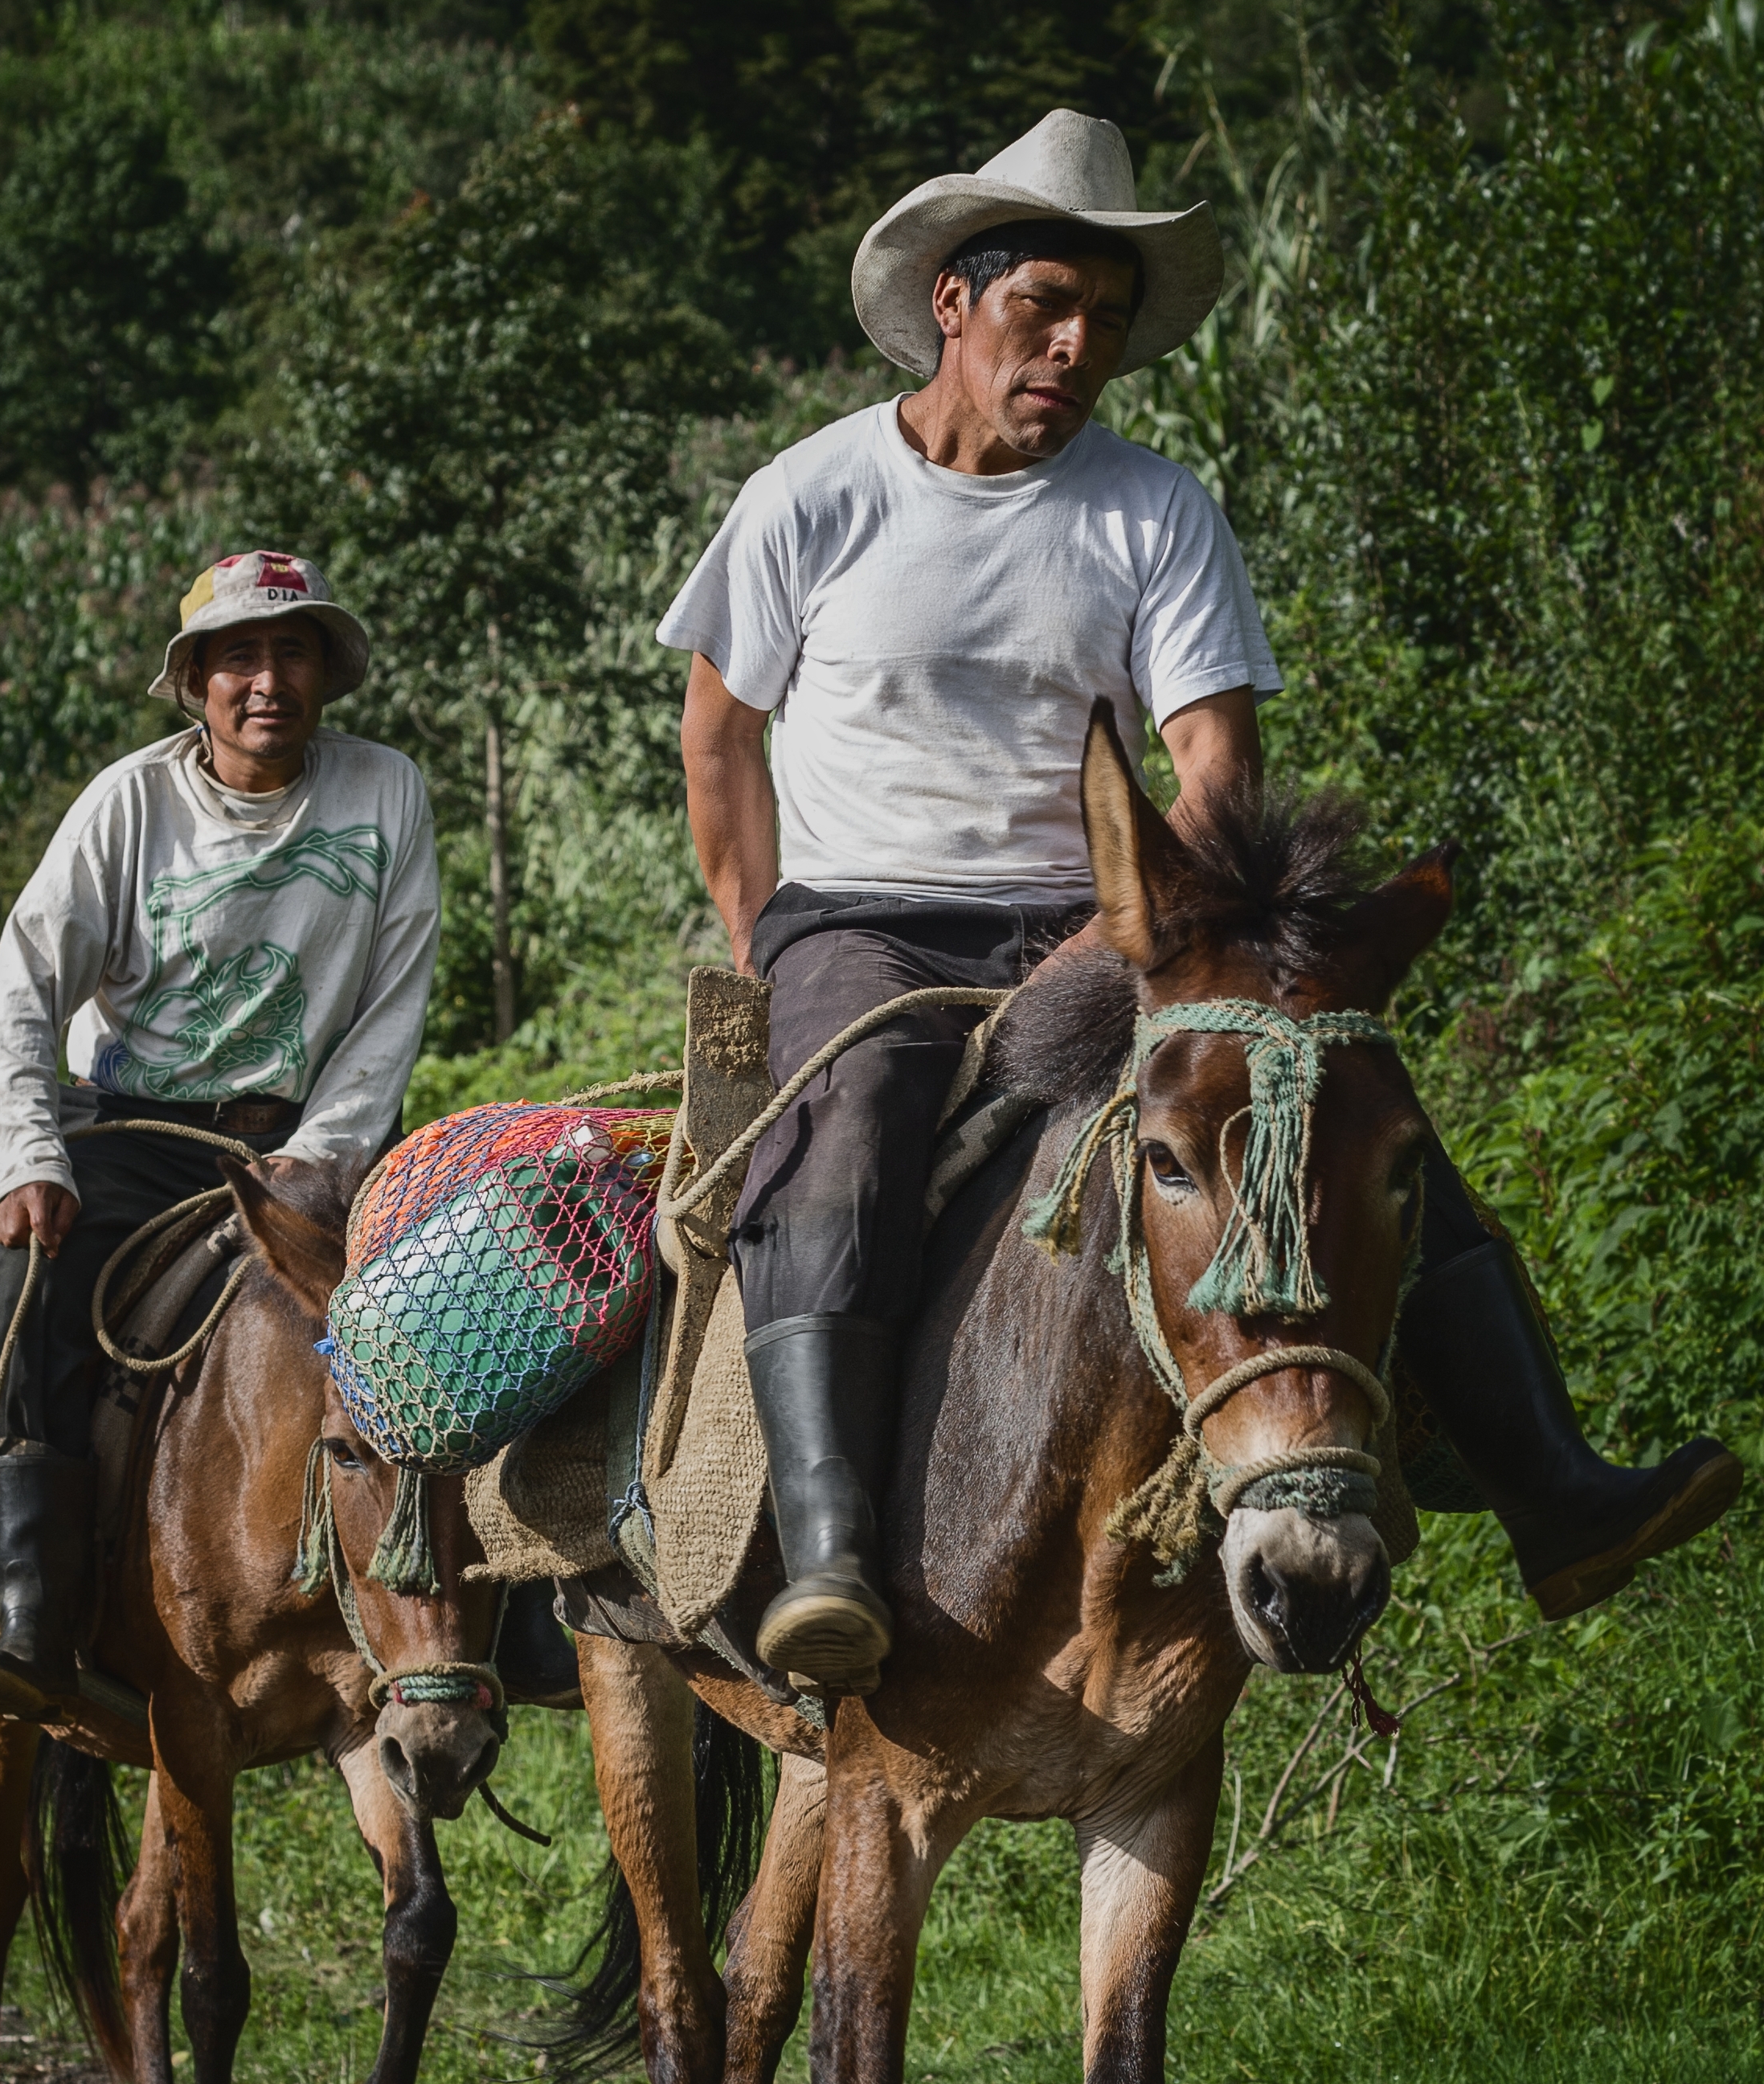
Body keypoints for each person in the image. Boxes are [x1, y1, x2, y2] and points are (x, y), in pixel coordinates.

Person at [664, 108, 1740, 1696]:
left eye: (1103, 317)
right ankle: (825, 1554)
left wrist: (1121, 944)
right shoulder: (807, 496)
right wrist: (773, 948)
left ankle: (1550, 1488)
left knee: (1340, 1101)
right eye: (1045, 305)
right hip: (864, 926)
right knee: (852, 1126)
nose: (1077, 345)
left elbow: (1212, 771)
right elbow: (717, 742)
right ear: (953, 300)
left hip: (1104, 922)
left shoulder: (1152, 509)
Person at [0, 550, 440, 1722]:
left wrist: (321, 1155)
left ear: (323, 670)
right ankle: (25, 1610)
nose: (266, 680)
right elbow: (25, 981)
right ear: (195, 682)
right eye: (238, 657)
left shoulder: (386, 790)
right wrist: (29, 1156)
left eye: (290, 651)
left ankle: (487, 1608)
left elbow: (393, 997)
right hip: (127, 1128)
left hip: (309, 1144)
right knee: (17, 1297)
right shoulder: (129, 804)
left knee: (450, 1306)